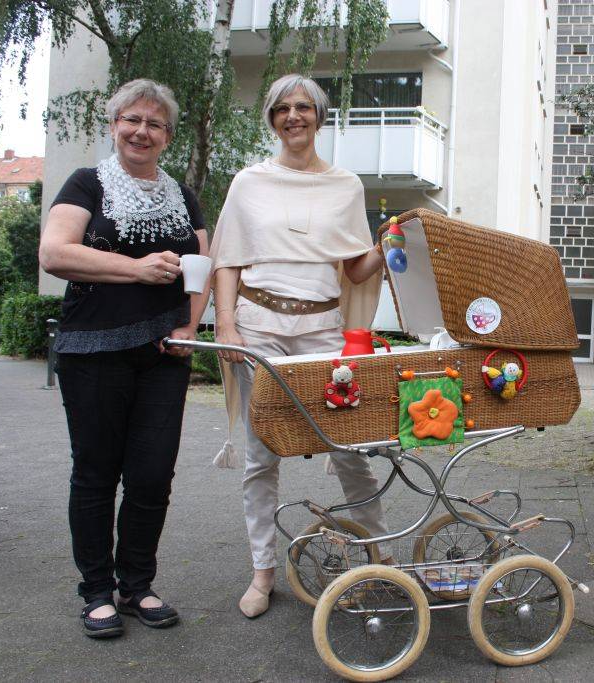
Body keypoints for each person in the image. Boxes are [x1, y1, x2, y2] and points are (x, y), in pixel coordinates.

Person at [210, 74, 389, 619]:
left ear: (319, 116)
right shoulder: (249, 182)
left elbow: (355, 265)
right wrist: (225, 325)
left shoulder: (346, 186)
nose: (294, 116)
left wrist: (389, 244)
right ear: (271, 118)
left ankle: (373, 554)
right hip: (258, 327)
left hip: (322, 333)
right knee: (262, 456)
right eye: (283, 108)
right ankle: (263, 571)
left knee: (350, 446)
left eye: (304, 107)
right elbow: (228, 259)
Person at [39, 79, 209, 638]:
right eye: (132, 120)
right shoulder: (87, 183)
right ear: (114, 126)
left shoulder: (184, 196)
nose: (142, 131)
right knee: (95, 474)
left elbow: (202, 271)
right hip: (94, 351)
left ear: (167, 135)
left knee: (152, 474)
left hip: (164, 353)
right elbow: (55, 254)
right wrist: (136, 270)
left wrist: (188, 325)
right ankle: (95, 591)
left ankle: (137, 585)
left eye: (155, 124)